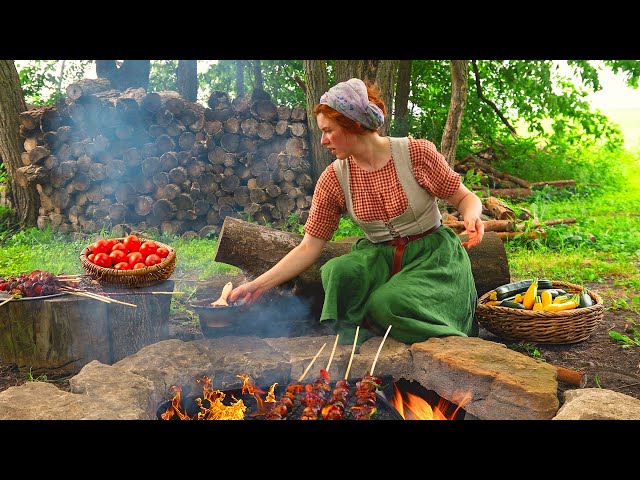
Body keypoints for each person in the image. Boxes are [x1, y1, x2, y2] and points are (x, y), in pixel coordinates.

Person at [228, 77, 484, 345]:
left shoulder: (416, 154)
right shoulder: (334, 178)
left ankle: (395, 321)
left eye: (329, 130)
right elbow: (308, 247)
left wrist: (471, 215)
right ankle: (367, 330)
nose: (324, 140)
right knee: (337, 271)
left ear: (355, 123)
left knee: (388, 302)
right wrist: (257, 286)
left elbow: (466, 198)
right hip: (379, 259)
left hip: (433, 258)